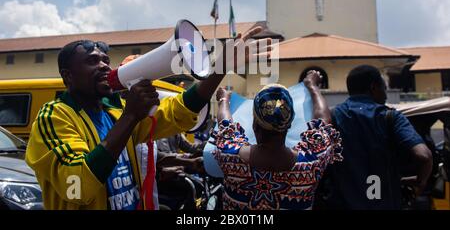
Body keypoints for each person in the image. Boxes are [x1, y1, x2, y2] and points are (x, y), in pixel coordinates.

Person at [25, 27, 268, 210]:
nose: (103, 67)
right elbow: (77, 186)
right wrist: (130, 115)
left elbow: (179, 111)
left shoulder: (114, 112)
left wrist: (220, 66)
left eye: (105, 61)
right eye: (92, 61)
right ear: (68, 76)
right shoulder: (54, 117)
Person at [212, 70, 342, 210]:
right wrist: (313, 86)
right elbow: (323, 121)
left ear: (254, 124)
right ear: (289, 124)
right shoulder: (312, 162)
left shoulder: (229, 155)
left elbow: (225, 124)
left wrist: (224, 100)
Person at [323, 65, 433, 209]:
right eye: (384, 88)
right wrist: (420, 182)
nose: (386, 94)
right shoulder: (391, 117)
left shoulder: (332, 116)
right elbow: (424, 156)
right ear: (374, 87)